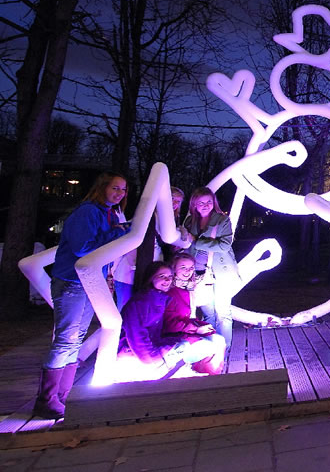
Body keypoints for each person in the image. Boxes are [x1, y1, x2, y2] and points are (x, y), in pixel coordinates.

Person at [33, 172, 129, 419]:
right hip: (71, 282)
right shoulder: (88, 212)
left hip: (89, 282)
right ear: (102, 187)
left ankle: (62, 396)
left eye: (123, 190)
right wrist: (117, 233)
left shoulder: (107, 214)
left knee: (75, 340)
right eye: (115, 188)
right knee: (65, 338)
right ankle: (45, 400)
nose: (120, 193)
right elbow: (82, 248)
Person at [119, 262, 227, 374]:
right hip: (136, 354)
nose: (167, 280)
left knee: (214, 342)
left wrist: (196, 330)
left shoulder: (161, 297)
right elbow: (138, 336)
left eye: (169, 277)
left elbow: (159, 332)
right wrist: (155, 359)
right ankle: (207, 381)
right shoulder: (141, 303)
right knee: (207, 347)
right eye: (161, 276)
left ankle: (206, 379)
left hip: (156, 345)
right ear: (151, 278)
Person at [183, 187, 238, 346]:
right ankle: (210, 348)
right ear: (194, 204)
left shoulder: (222, 220)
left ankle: (224, 349)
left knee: (223, 312)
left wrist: (197, 241)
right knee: (208, 314)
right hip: (199, 273)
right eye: (201, 203)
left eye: (208, 202)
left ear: (213, 203)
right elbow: (187, 246)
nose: (205, 205)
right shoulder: (189, 222)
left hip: (222, 272)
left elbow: (225, 245)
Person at [163, 252, 226, 374]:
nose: (188, 271)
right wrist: (196, 330)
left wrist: (201, 326)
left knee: (219, 340)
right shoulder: (170, 292)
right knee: (210, 347)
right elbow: (168, 324)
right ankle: (206, 377)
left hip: (187, 330)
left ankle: (213, 376)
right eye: (183, 268)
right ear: (174, 269)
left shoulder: (188, 288)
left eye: (191, 268)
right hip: (173, 334)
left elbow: (190, 316)